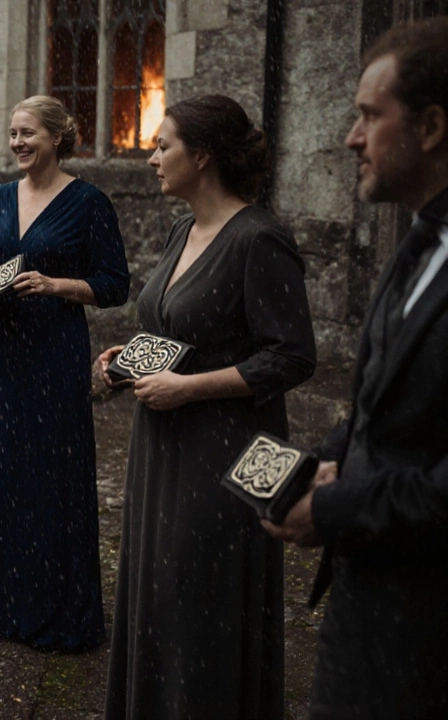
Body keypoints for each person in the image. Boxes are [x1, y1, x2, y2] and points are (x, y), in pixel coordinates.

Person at [97, 95, 316, 718]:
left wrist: (188, 387)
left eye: (162, 146)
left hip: (226, 453)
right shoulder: (181, 229)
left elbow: (293, 356)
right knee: (155, 596)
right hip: (159, 448)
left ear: (203, 155)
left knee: (201, 600)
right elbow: (180, 331)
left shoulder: (260, 238)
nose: (152, 158)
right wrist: (129, 360)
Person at [264, 17, 448, 718]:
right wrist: (326, 460)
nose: (350, 138)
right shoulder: (417, 238)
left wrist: (336, 508)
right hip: (367, 619)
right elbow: (382, 397)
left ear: (430, 126)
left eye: (369, 116)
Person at [0, 95, 129, 650]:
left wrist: (56, 286)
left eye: (28, 132)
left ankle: (50, 611)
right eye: (12, 133)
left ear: (57, 137)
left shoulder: (89, 202)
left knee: (50, 474)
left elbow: (114, 284)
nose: (17, 143)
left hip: (53, 354)